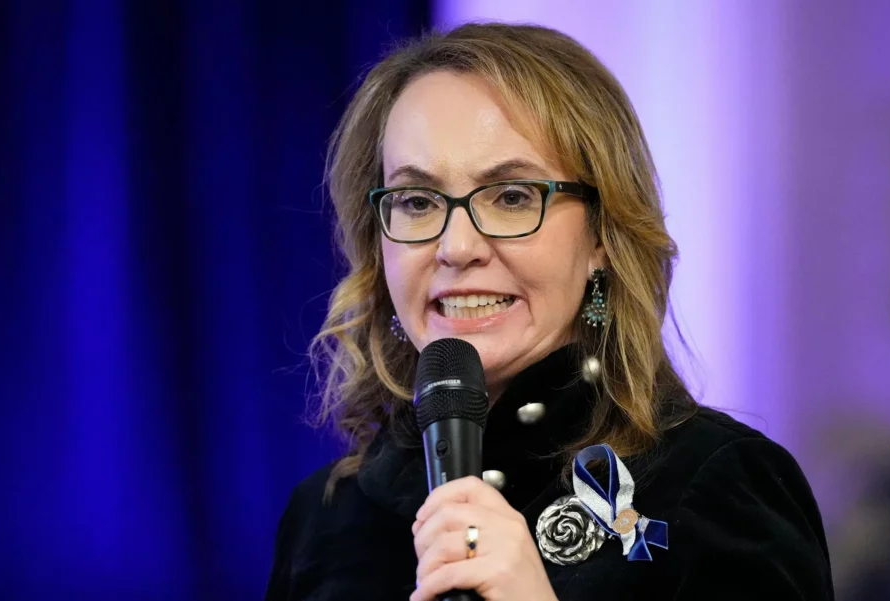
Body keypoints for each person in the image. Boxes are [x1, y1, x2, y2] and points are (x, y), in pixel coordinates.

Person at [265, 22, 834, 601]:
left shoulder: (715, 485)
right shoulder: (325, 518)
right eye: (416, 201)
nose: (457, 247)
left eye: (513, 197)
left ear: (602, 236)